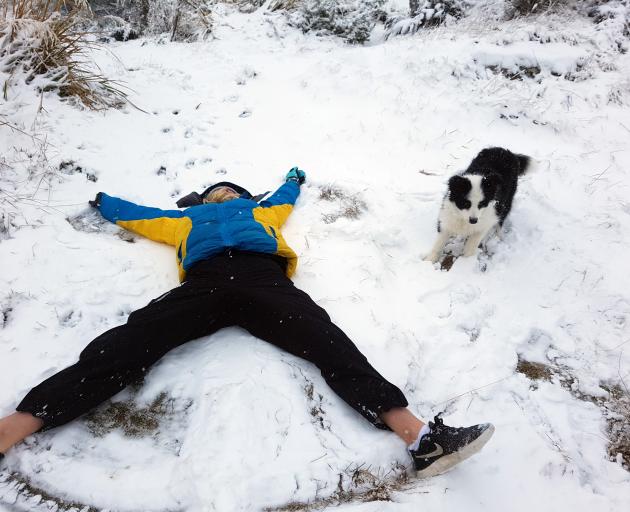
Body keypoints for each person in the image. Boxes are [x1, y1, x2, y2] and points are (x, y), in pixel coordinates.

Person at [0, 167, 494, 478]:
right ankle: (14, 427)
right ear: (200, 201)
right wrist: (105, 202)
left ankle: (420, 438)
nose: (222, 192)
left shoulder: (263, 212)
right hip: (205, 283)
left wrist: (294, 180)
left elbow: (284, 195)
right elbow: (137, 214)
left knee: (328, 341)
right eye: (214, 191)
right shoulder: (182, 221)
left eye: (229, 188)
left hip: (265, 282)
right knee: (129, 341)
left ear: (242, 194)